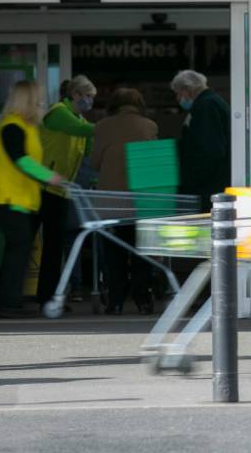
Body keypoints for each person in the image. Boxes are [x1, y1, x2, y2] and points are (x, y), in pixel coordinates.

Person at [0, 80, 64, 318]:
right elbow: (20, 159)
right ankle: (9, 303)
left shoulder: (26, 126)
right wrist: (48, 176)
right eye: (39, 98)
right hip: (8, 198)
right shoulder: (13, 126)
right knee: (19, 246)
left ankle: (3, 298)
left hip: (22, 199)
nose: (42, 103)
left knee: (17, 247)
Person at [91, 88, 159, 314]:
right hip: (141, 199)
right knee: (141, 250)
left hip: (111, 201)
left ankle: (115, 300)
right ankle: (143, 299)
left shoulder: (102, 126)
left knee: (113, 252)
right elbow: (153, 165)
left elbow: (94, 162)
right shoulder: (149, 126)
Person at [35, 74, 96, 307]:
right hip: (44, 187)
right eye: (88, 96)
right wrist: (111, 128)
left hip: (60, 190)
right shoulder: (59, 112)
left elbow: (87, 149)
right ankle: (24, 295)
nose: (90, 101)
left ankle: (48, 295)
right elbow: (83, 131)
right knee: (46, 245)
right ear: (76, 95)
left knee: (54, 246)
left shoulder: (77, 117)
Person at [171, 70, 230, 212]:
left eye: (179, 93)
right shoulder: (208, 103)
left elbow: (210, 150)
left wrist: (190, 181)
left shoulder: (207, 106)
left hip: (207, 188)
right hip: (209, 185)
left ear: (188, 90)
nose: (178, 99)